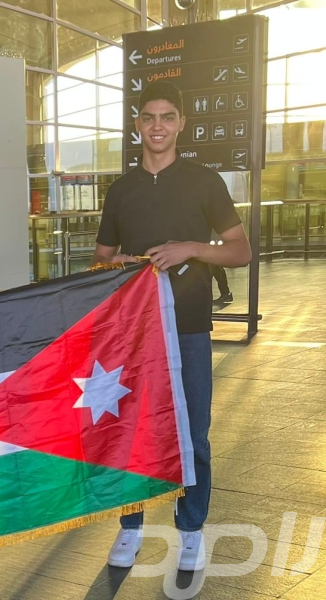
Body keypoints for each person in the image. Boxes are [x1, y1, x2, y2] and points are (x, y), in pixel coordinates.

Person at [91, 81, 251, 572]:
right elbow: (100, 258)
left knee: (192, 433)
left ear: (181, 123)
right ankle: (131, 526)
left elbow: (241, 251)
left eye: (166, 117)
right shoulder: (121, 189)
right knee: (130, 430)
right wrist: (117, 264)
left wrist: (191, 249)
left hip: (188, 327)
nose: (157, 126)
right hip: (133, 334)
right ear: (137, 125)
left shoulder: (204, 181)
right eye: (148, 118)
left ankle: (191, 529)